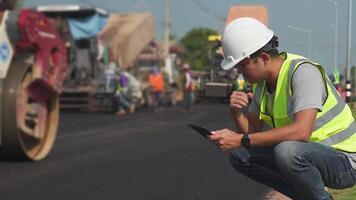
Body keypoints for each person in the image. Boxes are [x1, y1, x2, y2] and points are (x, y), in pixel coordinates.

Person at [208, 17, 356, 200]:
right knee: (241, 155)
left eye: (241, 65)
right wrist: (236, 113)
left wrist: (240, 139)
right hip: (308, 156)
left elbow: (302, 132)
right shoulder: (261, 85)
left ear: (263, 58)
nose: (239, 71)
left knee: (286, 151)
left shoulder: (303, 72)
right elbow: (252, 133)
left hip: (345, 161)